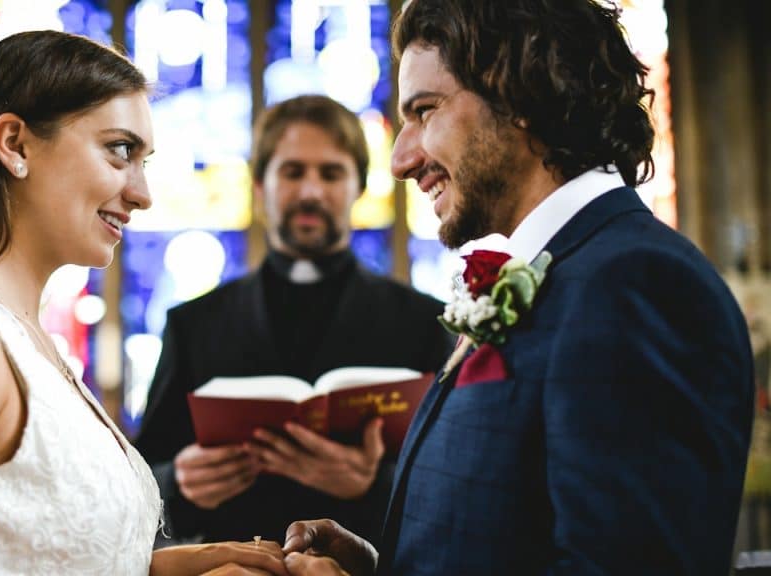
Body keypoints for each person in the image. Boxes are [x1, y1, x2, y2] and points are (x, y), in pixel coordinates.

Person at [281, 1, 755, 574]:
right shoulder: (570, 271)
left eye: (425, 111)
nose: (402, 160)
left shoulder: (636, 284)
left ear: (521, 95)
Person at [0, 30, 288, 576]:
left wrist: (167, 568)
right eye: (120, 150)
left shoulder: (29, 338)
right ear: (15, 143)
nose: (143, 193)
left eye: (144, 160)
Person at [134, 95, 453, 547]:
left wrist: (373, 485)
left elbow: (454, 485)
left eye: (330, 173)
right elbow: (138, 478)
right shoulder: (195, 324)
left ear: (358, 186)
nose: (310, 191)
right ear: (260, 185)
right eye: (292, 171)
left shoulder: (425, 323)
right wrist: (180, 484)